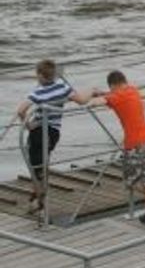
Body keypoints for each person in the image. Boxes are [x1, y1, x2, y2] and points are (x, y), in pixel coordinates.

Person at [86, 70, 145, 226]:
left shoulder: (116, 97)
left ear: (113, 85)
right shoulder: (132, 90)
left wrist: (91, 100)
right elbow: (112, 96)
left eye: (110, 88)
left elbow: (101, 102)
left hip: (133, 145)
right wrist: (103, 93)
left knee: (131, 181)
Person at [13, 60, 89, 215]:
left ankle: (39, 198)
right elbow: (81, 100)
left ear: (40, 75)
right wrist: (93, 92)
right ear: (53, 74)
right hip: (54, 132)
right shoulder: (62, 86)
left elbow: (21, 110)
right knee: (42, 163)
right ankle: (38, 196)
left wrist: (27, 125)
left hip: (39, 131)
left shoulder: (37, 93)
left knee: (36, 167)